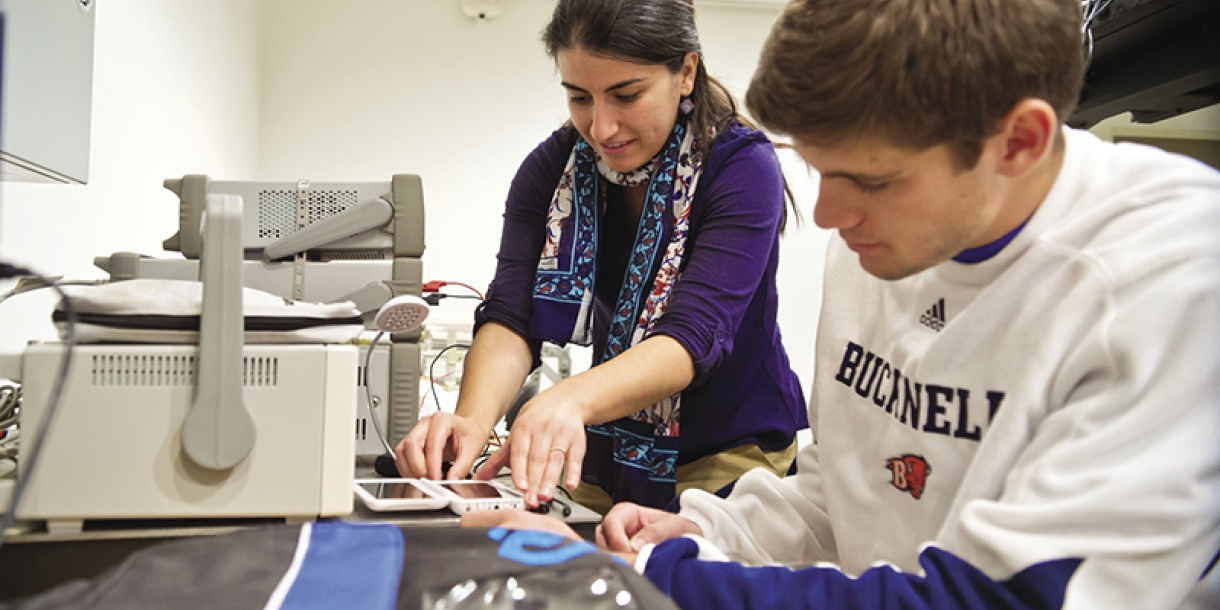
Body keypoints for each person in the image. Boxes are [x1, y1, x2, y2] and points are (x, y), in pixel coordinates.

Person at [465, 0, 1220, 608]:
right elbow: (853, 485)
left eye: (873, 179)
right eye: (821, 171)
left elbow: (1003, 597)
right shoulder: (881, 236)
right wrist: (705, 527)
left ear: (1018, 142)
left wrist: (662, 577)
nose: (825, 216)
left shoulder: (1169, 273)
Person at [395, 0, 807, 514]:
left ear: (685, 71)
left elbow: (691, 339)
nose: (602, 127)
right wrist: (473, 422)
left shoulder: (741, 169)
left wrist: (569, 399)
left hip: (730, 447)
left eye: (626, 95)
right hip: (608, 449)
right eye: (579, 97)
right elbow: (510, 317)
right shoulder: (550, 172)